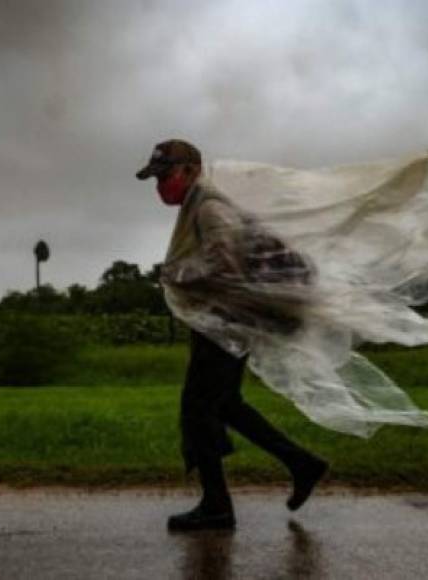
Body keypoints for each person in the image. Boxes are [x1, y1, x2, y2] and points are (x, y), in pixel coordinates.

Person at [136, 139, 329, 532]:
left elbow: (225, 262)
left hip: (226, 325)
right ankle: (301, 463)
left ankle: (217, 507)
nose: (160, 187)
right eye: (156, 180)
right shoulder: (200, 204)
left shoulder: (208, 207)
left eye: (165, 176)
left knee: (199, 408)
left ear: (190, 170)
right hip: (226, 322)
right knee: (225, 405)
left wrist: (176, 275)